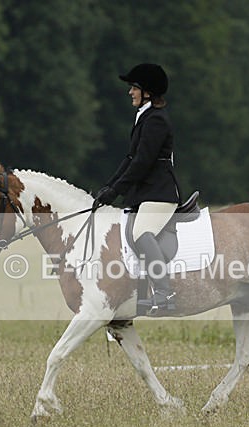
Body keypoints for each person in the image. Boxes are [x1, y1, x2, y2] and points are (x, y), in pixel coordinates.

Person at [95, 63, 180, 314]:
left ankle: (165, 294)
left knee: (141, 233)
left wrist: (117, 190)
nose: (130, 92)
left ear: (148, 92)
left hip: (160, 193)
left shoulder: (156, 121)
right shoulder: (144, 117)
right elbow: (130, 159)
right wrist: (109, 187)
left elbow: (143, 162)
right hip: (146, 194)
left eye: (134, 88)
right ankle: (139, 294)